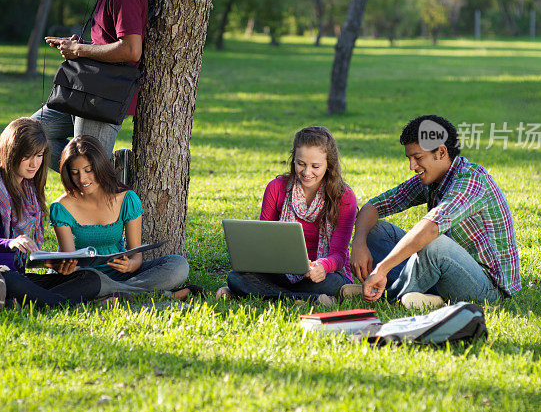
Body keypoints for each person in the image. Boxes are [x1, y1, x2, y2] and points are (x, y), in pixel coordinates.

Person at [350, 114, 521, 310]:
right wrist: (359, 241)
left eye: (418, 158)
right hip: (446, 271)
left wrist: (382, 268)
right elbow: (374, 206)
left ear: (441, 152)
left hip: (487, 289)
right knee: (376, 229)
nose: (412, 166)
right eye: (410, 158)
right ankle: (418, 295)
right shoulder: (432, 178)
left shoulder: (471, 181)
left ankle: (385, 294)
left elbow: (430, 229)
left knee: (434, 243)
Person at [0, 117, 102, 308]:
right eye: (27, 156)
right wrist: (9, 243)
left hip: (14, 274)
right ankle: (59, 303)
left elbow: (23, 258)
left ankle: (27, 302)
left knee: (89, 278)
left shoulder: (28, 186)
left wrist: (51, 264)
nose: (34, 164)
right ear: (11, 152)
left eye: (39, 156)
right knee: (13, 281)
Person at [32, 0, 148, 168]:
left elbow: (131, 50)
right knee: (26, 137)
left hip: (104, 97)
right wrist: (79, 45)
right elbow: (109, 43)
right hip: (87, 90)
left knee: (85, 166)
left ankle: (104, 177)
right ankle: (105, 172)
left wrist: (79, 51)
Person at [216, 126, 357, 306]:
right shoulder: (276, 188)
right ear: (293, 160)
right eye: (301, 164)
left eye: (315, 166)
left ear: (329, 164)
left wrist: (322, 267)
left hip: (321, 275)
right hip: (281, 272)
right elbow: (264, 240)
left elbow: (338, 255)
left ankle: (252, 294)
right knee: (236, 277)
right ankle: (306, 300)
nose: (306, 172)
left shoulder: (344, 197)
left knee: (334, 284)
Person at [49, 135, 200, 300]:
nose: (82, 179)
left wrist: (129, 265)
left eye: (88, 170)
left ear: (99, 166)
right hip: (85, 277)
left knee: (178, 265)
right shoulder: (61, 207)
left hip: (122, 275)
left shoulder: (126, 199)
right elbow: (70, 259)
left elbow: (136, 257)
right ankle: (160, 295)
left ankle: (114, 294)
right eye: (75, 173)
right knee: (88, 281)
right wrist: (66, 268)